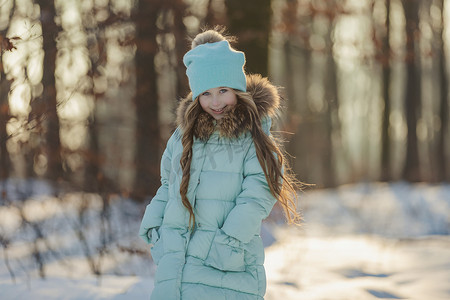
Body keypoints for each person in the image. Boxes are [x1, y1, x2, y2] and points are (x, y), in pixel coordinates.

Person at [139, 28, 300, 300]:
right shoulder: (183, 135)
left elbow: (259, 191)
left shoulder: (253, 134)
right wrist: (155, 227)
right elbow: (168, 183)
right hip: (177, 262)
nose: (215, 102)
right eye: (206, 94)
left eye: (223, 90)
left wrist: (230, 241)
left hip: (228, 265)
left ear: (237, 89)